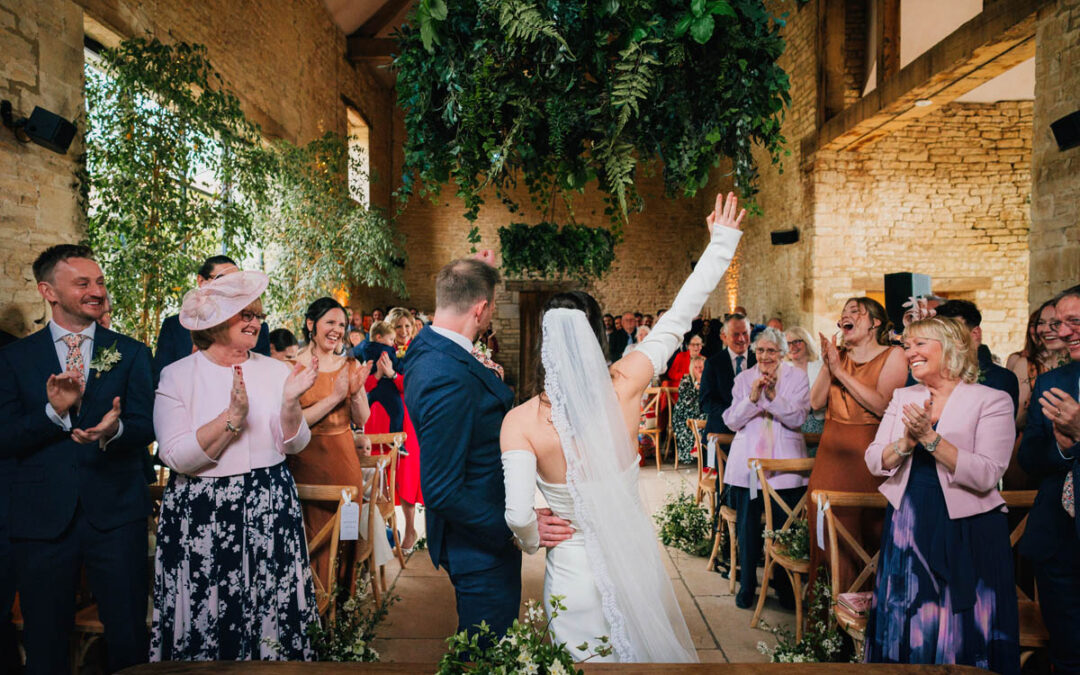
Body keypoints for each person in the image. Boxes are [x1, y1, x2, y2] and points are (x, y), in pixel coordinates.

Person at [500, 192, 744, 662]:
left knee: (579, 665)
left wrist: (533, 536)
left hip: (572, 568)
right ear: (596, 337)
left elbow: (516, 516)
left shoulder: (521, 422)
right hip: (634, 561)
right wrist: (721, 245)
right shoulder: (627, 381)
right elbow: (678, 317)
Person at [0, 245, 156, 673]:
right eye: (83, 283)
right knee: (44, 638)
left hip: (116, 513)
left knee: (127, 635)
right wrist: (54, 413)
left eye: (100, 282)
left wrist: (115, 431)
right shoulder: (14, 359)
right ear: (48, 291)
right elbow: (4, 437)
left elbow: (148, 424)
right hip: (41, 519)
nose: (97, 291)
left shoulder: (132, 352)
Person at [151, 270, 320, 660]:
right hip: (203, 511)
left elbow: (295, 444)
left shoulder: (277, 371)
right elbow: (175, 456)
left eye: (258, 314)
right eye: (244, 313)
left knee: (270, 608)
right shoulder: (177, 376)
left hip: (269, 503)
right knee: (207, 609)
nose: (255, 321)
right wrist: (231, 418)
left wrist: (292, 402)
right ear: (213, 322)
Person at [405, 255, 564, 643]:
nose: (490, 317)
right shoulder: (448, 377)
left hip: (475, 531)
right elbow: (440, 489)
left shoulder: (428, 346)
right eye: (490, 308)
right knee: (485, 654)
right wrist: (515, 526)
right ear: (480, 308)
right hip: (479, 544)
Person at [864, 316, 1019, 673]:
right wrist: (905, 441)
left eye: (920, 344)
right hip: (910, 524)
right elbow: (875, 460)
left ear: (951, 347)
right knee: (910, 619)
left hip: (969, 527)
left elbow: (987, 474)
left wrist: (931, 439)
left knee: (961, 626)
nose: (910, 353)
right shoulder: (904, 396)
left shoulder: (991, 400)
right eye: (907, 346)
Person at [806, 297, 907, 594]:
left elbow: (881, 404)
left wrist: (840, 372)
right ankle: (827, 631)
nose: (845, 317)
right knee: (826, 534)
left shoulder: (894, 355)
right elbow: (815, 403)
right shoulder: (837, 356)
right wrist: (829, 364)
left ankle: (863, 624)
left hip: (869, 458)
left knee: (866, 538)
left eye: (855, 312)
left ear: (875, 323)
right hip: (829, 458)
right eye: (843, 314)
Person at [286, 297, 377, 593]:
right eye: (330, 322)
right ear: (312, 324)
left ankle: (341, 614)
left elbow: (363, 418)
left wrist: (356, 391)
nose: (337, 329)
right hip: (304, 464)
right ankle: (308, 611)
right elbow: (294, 423)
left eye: (342, 324)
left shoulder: (349, 364)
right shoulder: (291, 368)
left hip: (343, 464)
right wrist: (335, 397)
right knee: (307, 536)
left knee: (344, 539)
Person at [722, 327, 810, 609]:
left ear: (782, 353)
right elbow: (732, 421)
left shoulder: (797, 378)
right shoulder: (743, 379)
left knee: (785, 530)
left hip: (785, 467)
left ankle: (784, 588)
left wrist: (772, 398)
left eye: (771, 350)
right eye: (760, 350)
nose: (765, 356)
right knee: (748, 528)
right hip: (749, 467)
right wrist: (751, 399)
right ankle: (747, 585)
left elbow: (797, 418)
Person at [1018, 284, 1080, 673]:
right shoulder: (1052, 382)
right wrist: (1063, 446)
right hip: (1060, 540)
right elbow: (1028, 457)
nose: (1065, 331)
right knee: (1068, 654)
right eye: (1060, 323)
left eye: (1074, 321)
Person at [366, 306, 424, 550]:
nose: (403, 331)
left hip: (406, 418)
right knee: (378, 475)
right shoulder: (378, 351)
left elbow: (415, 384)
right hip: (378, 416)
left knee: (406, 474)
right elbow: (366, 384)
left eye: (407, 326)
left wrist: (393, 375)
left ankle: (410, 530)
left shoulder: (417, 352)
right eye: (398, 326)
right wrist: (380, 373)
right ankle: (381, 531)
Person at [153, 255, 270, 374]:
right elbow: (160, 375)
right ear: (201, 281)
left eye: (236, 281)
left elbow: (263, 375)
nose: (230, 286)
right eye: (222, 279)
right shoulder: (174, 326)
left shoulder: (254, 327)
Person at [931, 300, 1019, 413]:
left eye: (954, 332)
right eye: (941, 334)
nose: (946, 340)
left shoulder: (1001, 378)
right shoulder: (931, 374)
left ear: (975, 334)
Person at [1008, 300, 1070, 429]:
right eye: (1041, 323)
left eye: (1055, 323)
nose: (1046, 329)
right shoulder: (1026, 364)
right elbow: (1017, 419)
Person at [700, 314, 755, 437]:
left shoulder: (759, 360)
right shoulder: (713, 363)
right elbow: (706, 402)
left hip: (754, 432)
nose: (741, 339)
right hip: (721, 431)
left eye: (745, 333)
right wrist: (735, 415)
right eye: (736, 334)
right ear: (724, 337)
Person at [359, 320, 405, 432]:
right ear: (379, 337)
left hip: (373, 390)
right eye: (390, 339)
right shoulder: (386, 351)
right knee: (398, 413)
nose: (393, 343)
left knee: (365, 413)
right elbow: (396, 365)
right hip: (386, 387)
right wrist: (400, 366)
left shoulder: (366, 348)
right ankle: (395, 438)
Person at [786, 326, 825, 435]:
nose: (792, 347)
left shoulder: (820, 367)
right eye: (788, 343)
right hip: (790, 427)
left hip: (817, 425)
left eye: (797, 342)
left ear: (807, 343)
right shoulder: (782, 369)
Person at [672, 355, 708, 464]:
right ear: (692, 369)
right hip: (684, 416)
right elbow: (687, 402)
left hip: (701, 414)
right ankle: (699, 447)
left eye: (701, 367)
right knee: (701, 419)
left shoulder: (710, 381)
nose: (699, 370)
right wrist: (698, 388)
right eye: (696, 367)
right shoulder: (686, 380)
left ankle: (700, 449)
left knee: (708, 418)